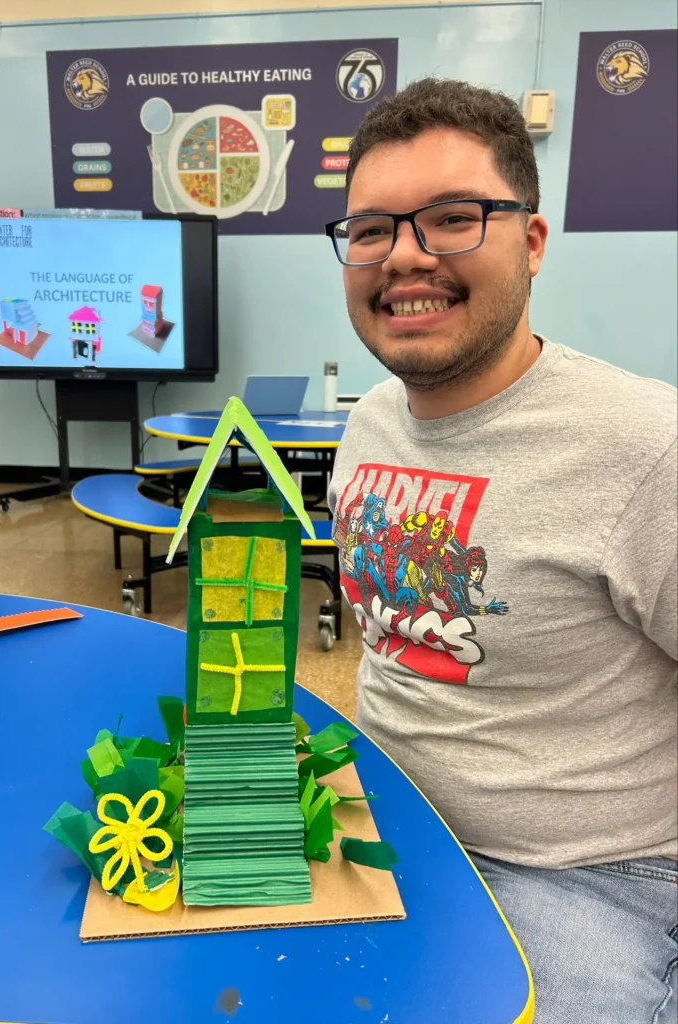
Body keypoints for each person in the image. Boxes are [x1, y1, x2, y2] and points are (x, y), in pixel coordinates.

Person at [325, 78, 677, 1023]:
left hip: (588, 879)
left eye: (451, 218)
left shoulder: (647, 448)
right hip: (380, 828)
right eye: (371, 230)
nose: (405, 256)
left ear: (530, 242)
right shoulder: (365, 428)